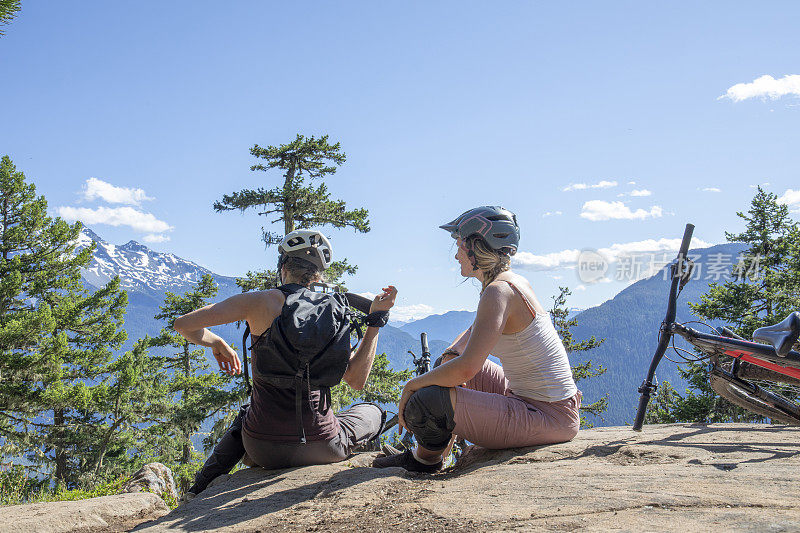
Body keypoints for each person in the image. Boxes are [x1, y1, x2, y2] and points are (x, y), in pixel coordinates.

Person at [174, 229, 396, 497]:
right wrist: (375, 324)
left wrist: (217, 344)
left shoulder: (259, 302)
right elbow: (356, 381)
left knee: (248, 412)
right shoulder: (335, 309)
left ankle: (197, 490)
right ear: (319, 276)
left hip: (261, 447)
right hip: (322, 446)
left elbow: (184, 325)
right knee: (372, 411)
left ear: (283, 268)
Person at [374, 206, 581, 472]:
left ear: (478, 247)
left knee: (426, 401)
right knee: (446, 364)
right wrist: (450, 355)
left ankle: (424, 462)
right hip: (540, 403)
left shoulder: (498, 291)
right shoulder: (509, 283)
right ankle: (433, 449)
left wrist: (411, 386)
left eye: (460, 245)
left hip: (548, 416)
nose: (457, 254)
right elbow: (473, 335)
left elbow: (467, 368)